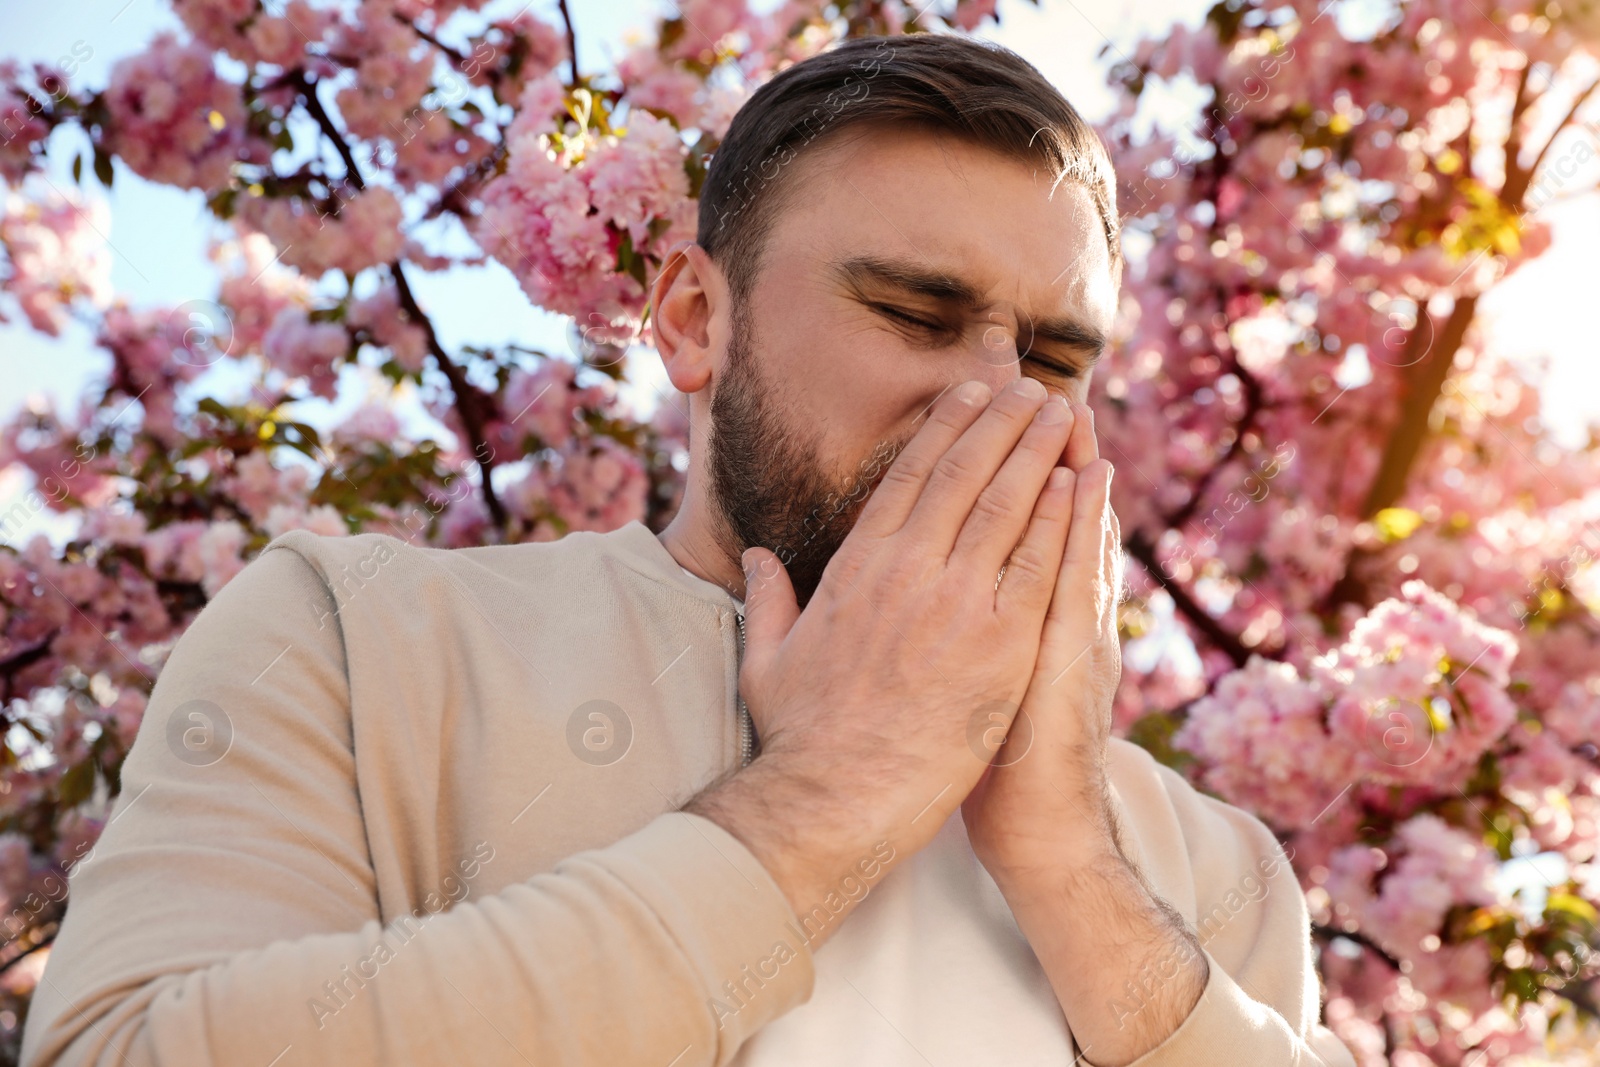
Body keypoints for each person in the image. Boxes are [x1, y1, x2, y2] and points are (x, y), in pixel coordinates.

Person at [22, 33, 1356, 1067]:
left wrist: (1073, 866)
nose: (998, 398)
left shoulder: (1204, 863)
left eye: (1057, 356)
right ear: (693, 321)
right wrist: (829, 795)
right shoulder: (355, 638)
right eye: (913, 310)